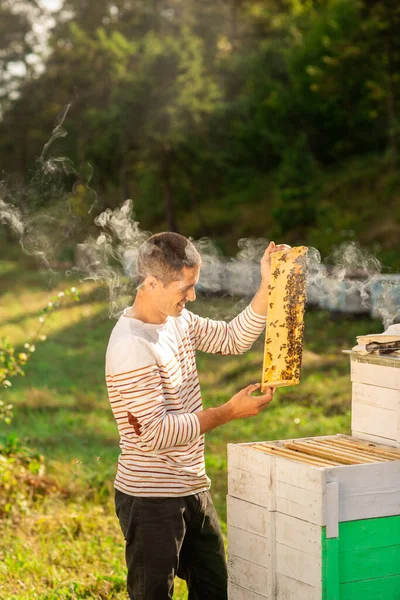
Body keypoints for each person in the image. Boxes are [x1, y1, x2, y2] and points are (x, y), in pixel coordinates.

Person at [105, 232, 287, 600]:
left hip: (191, 486)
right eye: (185, 288)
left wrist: (268, 284)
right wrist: (227, 413)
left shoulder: (179, 321)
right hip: (151, 497)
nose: (192, 296)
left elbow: (232, 339)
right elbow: (154, 434)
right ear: (152, 282)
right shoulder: (131, 346)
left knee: (215, 588)